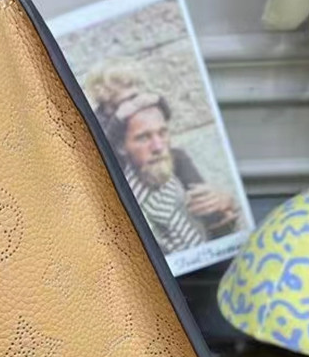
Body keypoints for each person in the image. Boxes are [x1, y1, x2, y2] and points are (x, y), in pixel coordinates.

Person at [85, 64, 240, 255]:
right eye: (143, 137)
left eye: (136, 98)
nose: (136, 106)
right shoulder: (105, 135)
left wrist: (222, 209)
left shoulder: (176, 158)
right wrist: (121, 116)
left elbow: (215, 218)